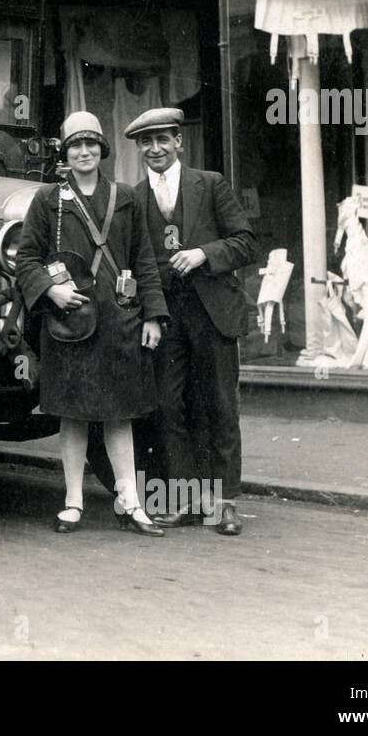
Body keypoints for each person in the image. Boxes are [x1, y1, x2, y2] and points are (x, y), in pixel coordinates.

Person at [15, 111, 169, 536]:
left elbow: (145, 261)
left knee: (121, 415)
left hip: (120, 321)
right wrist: (51, 290)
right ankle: (73, 502)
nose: (84, 152)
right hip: (70, 324)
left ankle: (130, 501)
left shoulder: (125, 198)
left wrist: (153, 315)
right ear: (65, 153)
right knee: (73, 416)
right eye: (75, 146)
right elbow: (26, 258)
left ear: (102, 150)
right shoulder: (48, 199)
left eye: (91, 145)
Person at [125, 107, 256, 535]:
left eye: (163, 139)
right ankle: (182, 500)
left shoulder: (211, 184)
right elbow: (136, 263)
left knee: (219, 405)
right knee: (168, 407)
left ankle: (223, 503)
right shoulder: (135, 198)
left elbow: (244, 242)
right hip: (165, 318)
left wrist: (204, 254)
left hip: (212, 312)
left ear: (179, 142)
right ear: (139, 149)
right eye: (147, 142)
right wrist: (148, 313)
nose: (156, 148)